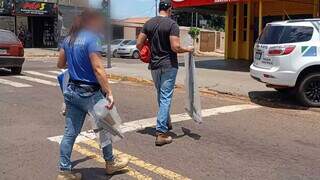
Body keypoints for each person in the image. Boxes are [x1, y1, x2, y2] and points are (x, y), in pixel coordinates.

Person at [56, 10, 129, 180]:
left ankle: (64, 171)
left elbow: (60, 63)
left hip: (72, 92)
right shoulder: (92, 38)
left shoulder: (68, 39)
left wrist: (76, 62)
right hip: (91, 93)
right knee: (105, 127)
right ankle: (110, 163)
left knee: (70, 133)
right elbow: (98, 68)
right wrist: (109, 92)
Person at [136, 1, 193, 146]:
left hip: (154, 65)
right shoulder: (172, 24)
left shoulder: (148, 23)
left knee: (161, 95)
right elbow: (175, 47)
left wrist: (150, 47)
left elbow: (138, 44)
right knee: (166, 97)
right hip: (168, 64)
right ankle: (161, 133)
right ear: (169, 9)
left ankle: (166, 122)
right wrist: (188, 50)